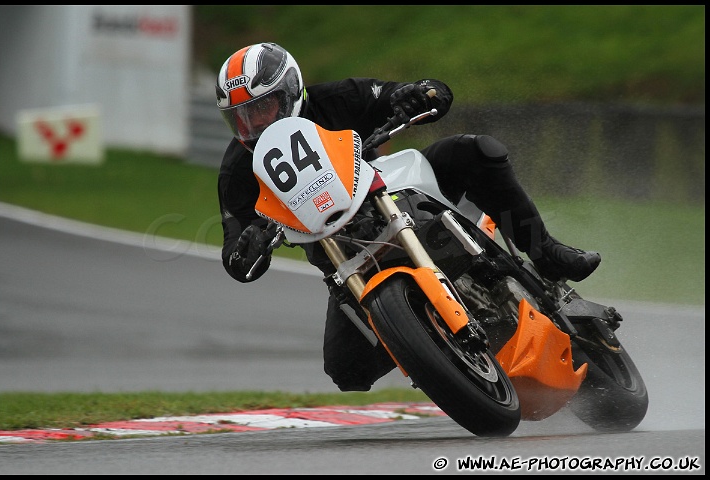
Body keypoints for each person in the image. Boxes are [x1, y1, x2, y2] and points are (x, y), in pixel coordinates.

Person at [215, 42, 601, 392]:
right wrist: (248, 246)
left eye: (260, 108)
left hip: (393, 195)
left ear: (289, 93)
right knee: (347, 370)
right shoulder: (236, 172)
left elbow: (404, 93)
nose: (253, 125)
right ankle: (430, 346)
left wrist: (418, 92)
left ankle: (546, 253)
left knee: (475, 151)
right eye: (241, 118)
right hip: (345, 258)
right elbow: (235, 252)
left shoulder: (335, 99)